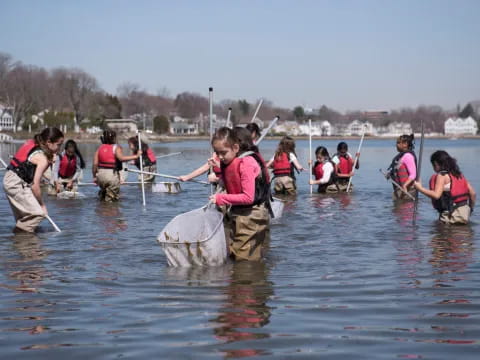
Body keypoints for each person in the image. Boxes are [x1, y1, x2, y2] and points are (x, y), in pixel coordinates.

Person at [209, 127, 271, 261]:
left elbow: (248, 197)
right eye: (216, 152)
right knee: (235, 253)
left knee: (243, 258)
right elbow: (234, 180)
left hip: (251, 214)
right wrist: (220, 176)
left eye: (223, 153)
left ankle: (245, 279)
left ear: (236, 147)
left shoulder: (246, 163)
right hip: (239, 212)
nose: (219, 156)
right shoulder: (233, 161)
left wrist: (221, 198)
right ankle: (243, 278)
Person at [3, 127, 64, 232]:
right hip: (16, 184)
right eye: (59, 145)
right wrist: (42, 205)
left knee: (25, 218)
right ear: (49, 142)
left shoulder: (34, 143)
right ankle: (19, 235)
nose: (60, 148)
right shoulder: (42, 158)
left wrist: (54, 180)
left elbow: (36, 168)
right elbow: (35, 186)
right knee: (38, 214)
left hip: (10, 180)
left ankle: (23, 243)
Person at [414, 150, 476, 225]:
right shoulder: (459, 175)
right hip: (464, 214)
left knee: (441, 234)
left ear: (436, 164)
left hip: (450, 214)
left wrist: (420, 188)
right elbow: (473, 193)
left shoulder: (442, 176)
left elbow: (436, 195)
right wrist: (470, 209)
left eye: (433, 165)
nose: (433, 168)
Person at [92, 130, 141, 202]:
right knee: (111, 200)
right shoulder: (116, 148)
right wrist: (136, 156)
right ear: (114, 138)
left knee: (103, 196)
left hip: (101, 175)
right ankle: (110, 211)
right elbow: (121, 158)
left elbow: (95, 164)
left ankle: (101, 210)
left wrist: (94, 177)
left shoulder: (99, 148)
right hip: (111, 175)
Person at [387, 134, 417, 200]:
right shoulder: (401, 157)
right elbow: (397, 171)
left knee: (405, 209)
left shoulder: (408, 156)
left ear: (405, 144)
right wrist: (390, 175)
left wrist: (405, 185)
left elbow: (413, 174)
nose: (396, 145)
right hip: (399, 190)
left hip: (407, 190)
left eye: (398, 143)